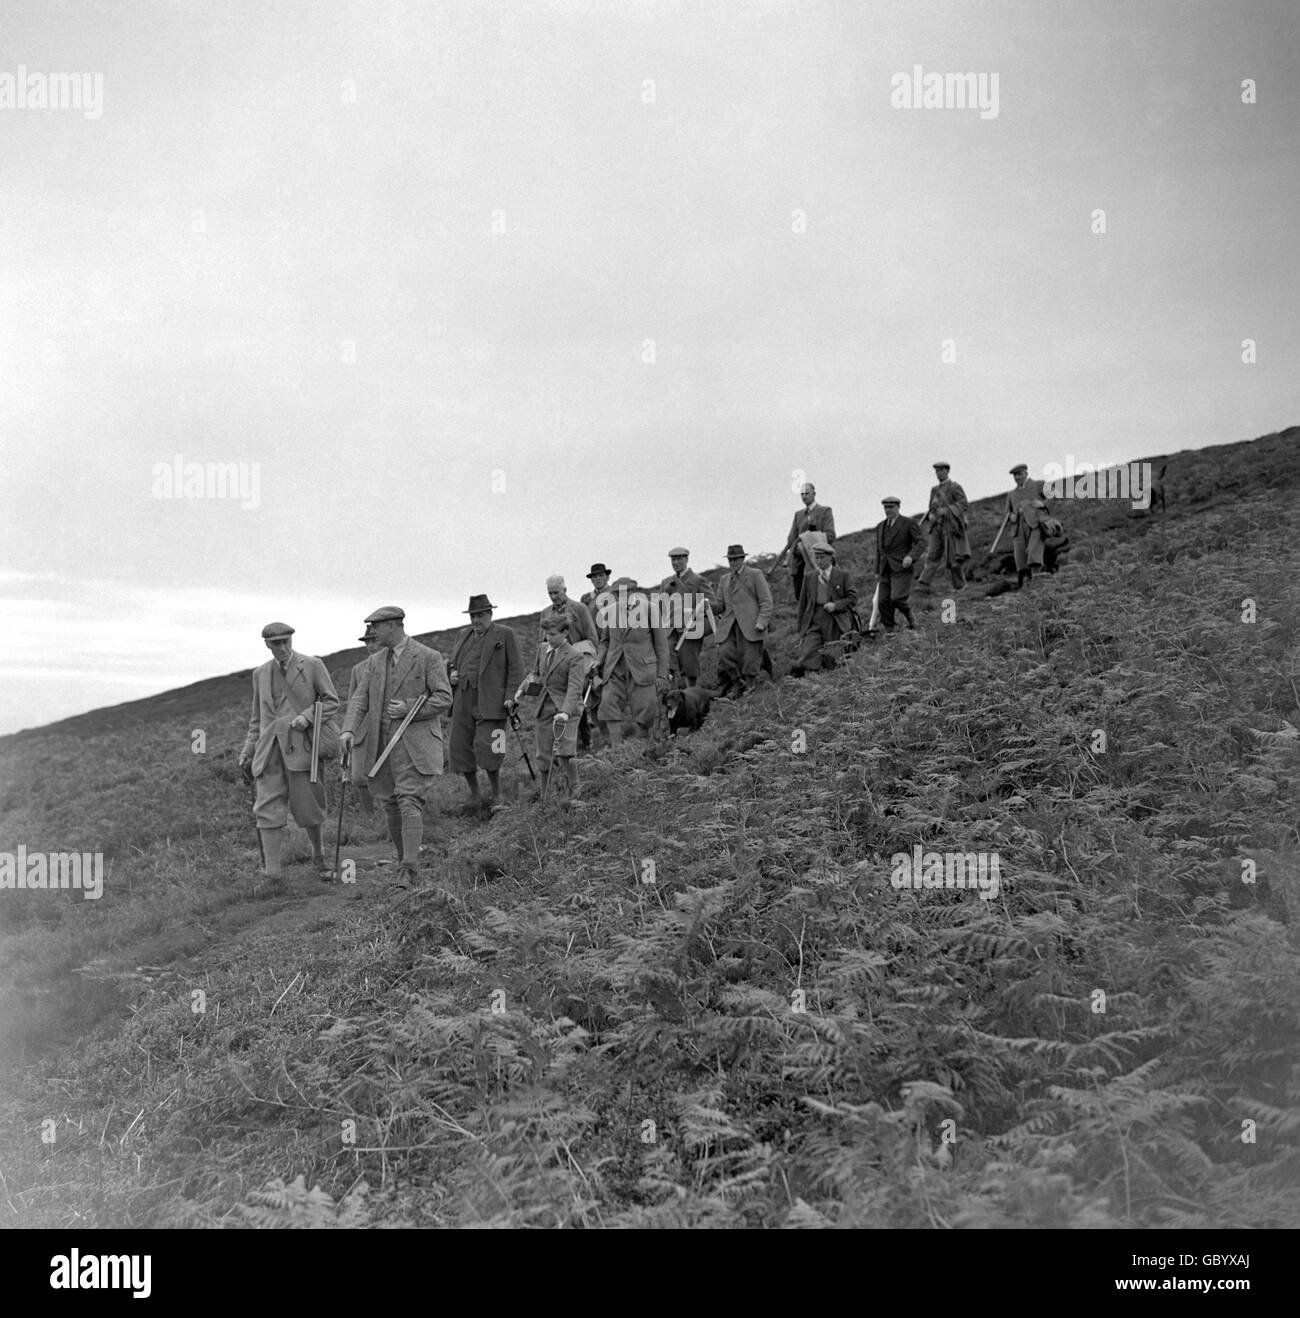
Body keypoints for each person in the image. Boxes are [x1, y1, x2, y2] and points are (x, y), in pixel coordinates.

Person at [339, 606, 453, 883]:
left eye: (376, 626)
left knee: (409, 800)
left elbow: (443, 697)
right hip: (381, 746)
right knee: (390, 803)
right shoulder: (375, 662)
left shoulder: (428, 657)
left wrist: (409, 707)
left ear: (393, 625)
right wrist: (348, 730)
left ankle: (410, 868)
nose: (373, 632)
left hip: (414, 746)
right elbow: (359, 699)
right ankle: (404, 861)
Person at [238, 622, 340, 879]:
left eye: (286, 641)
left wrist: (307, 716)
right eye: (276, 643)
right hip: (268, 750)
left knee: (309, 806)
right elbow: (257, 717)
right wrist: (248, 749)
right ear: (267, 644)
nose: (282, 647)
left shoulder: (313, 665)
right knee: (267, 808)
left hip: (301, 748)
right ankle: (272, 875)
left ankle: (319, 856)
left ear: (292, 640)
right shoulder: (260, 673)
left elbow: (331, 701)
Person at [447, 595, 523, 810]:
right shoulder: (463, 635)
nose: (476, 620)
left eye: (480, 615)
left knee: (492, 747)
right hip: (463, 698)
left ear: (490, 614)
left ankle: (497, 793)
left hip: (493, 701)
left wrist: (511, 697)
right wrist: (451, 675)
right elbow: (453, 664)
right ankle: (475, 794)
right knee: (460, 746)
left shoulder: (505, 634)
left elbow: (516, 669)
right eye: (473, 616)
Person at [510, 613, 585, 799]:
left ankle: (576, 790)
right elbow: (535, 674)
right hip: (544, 706)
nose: (549, 638)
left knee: (565, 751)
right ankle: (545, 796)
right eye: (547, 634)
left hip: (566, 708)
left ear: (565, 632)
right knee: (543, 756)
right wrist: (520, 693)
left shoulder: (575, 656)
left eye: (553, 634)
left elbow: (574, 687)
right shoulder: (542, 649)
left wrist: (566, 712)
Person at [593, 579, 671, 745]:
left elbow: (661, 644)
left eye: (624, 593)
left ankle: (641, 746)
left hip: (642, 667)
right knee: (609, 702)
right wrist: (599, 660)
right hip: (615, 666)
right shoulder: (609, 612)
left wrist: (662, 674)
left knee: (645, 708)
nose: (621, 597)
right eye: (617, 594)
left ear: (632, 592)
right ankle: (616, 748)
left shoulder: (650, 609)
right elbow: (605, 641)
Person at [716, 544, 773, 699]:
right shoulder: (724, 579)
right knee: (724, 653)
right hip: (729, 625)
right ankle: (736, 682)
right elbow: (720, 604)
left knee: (749, 657)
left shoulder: (755, 574)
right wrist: (707, 605)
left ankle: (750, 685)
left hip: (751, 624)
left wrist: (762, 621)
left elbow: (766, 601)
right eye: (730, 560)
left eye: (736, 559)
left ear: (742, 559)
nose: (733, 563)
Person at [792, 544, 858, 674]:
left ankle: (830, 683)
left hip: (835, 621)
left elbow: (853, 598)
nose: (819, 561)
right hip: (814, 619)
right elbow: (803, 605)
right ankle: (810, 681)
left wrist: (836, 605)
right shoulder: (809, 577)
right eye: (816, 558)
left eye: (822, 557)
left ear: (830, 557)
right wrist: (802, 630)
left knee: (833, 657)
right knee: (808, 652)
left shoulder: (842, 576)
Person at [658, 547, 717, 688]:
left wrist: (700, 609)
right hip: (671, 628)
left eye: (679, 559)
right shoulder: (666, 582)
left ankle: (692, 692)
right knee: (667, 660)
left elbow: (714, 604)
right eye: (673, 559)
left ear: (686, 559)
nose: (676, 562)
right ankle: (672, 693)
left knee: (689, 662)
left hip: (691, 627)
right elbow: (660, 607)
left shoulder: (698, 580)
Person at [771, 483, 836, 603]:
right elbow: (791, 539)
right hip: (799, 565)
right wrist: (796, 548)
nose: (804, 496)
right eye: (802, 494)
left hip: (818, 563)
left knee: (820, 599)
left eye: (807, 493)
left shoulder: (825, 511)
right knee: (801, 599)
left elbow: (830, 535)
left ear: (814, 494)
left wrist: (808, 542)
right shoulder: (798, 515)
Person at [916, 462, 971, 592]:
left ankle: (960, 585)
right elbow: (931, 507)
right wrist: (931, 516)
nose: (938, 473)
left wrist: (948, 510)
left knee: (953, 557)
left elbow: (963, 504)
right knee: (932, 555)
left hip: (950, 527)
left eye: (941, 470)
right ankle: (923, 584)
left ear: (947, 471)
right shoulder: (934, 490)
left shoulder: (955, 487)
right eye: (937, 471)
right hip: (936, 527)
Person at [874, 496, 926, 631]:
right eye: (886, 507)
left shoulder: (908, 523)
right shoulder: (880, 526)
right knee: (882, 602)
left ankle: (911, 618)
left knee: (896, 598)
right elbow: (879, 550)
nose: (888, 510)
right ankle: (889, 629)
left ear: (898, 507)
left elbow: (921, 542)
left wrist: (911, 557)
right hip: (885, 569)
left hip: (902, 568)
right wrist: (876, 570)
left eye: (891, 507)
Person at [345, 626, 382, 813]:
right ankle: (370, 816)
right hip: (363, 730)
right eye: (368, 641)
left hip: (388, 726)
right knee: (359, 776)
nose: (371, 645)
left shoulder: (395, 665)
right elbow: (353, 703)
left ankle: (394, 817)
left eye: (374, 640)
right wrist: (349, 730)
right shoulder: (358, 670)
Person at [1004, 463, 1052, 587]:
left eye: (1019, 474)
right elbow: (1007, 512)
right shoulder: (1012, 494)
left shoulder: (1038, 485)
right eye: (1014, 475)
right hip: (1018, 527)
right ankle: (1025, 584)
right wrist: (1011, 516)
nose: (1017, 477)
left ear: (1026, 473)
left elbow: (1052, 497)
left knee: (1033, 550)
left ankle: (1036, 579)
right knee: (1020, 555)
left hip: (1036, 523)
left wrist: (1042, 504)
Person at [539, 575, 597, 650]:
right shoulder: (545, 612)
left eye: (556, 593)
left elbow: (592, 638)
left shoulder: (580, 608)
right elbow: (541, 644)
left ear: (565, 590)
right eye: (550, 593)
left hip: (577, 657)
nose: (553, 597)